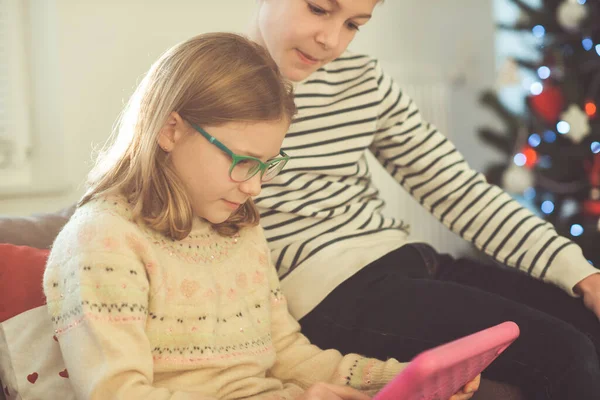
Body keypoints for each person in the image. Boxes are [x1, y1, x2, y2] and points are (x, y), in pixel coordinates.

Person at [42, 32, 480, 400]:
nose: (255, 187)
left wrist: (402, 379)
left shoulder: (239, 229)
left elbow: (291, 357)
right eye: (243, 161)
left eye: (267, 165)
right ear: (171, 130)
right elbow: (118, 394)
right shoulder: (103, 239)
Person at [245, 0, 600, 398]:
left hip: (410, 259)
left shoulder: (362, 80)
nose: (331, 40)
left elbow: (458, 190)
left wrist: (581, 273)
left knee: (589, 325)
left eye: (354, 25)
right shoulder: (214, 86)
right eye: (318, 9)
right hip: (333, 294)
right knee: (566, 355)